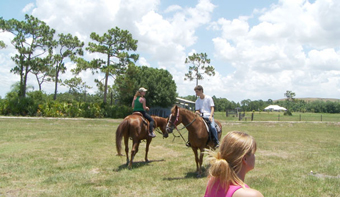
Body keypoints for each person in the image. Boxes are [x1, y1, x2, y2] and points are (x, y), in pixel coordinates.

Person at [204, 131, 264, 197]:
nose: (254, 156)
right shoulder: (252, 195)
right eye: (253, 153)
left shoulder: (213, 183)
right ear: (245, 159)